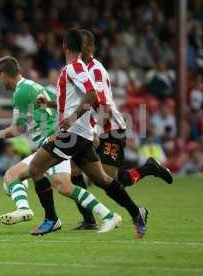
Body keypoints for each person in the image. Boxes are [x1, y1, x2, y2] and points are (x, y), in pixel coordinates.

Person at [0, 56, 121, 235]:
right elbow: (63, 105)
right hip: (59, 139)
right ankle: (108, 215)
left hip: (51, 143)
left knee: (11, 175)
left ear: (3, 73)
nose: (0, 81)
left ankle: (25, 209)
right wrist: (89, 129)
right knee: (64, 186)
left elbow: (18, 129)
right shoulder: (36, 87)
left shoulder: (20, 92)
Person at [27, 28, 147, 239]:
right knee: (102, 180)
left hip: (72, 134)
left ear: (64, 46)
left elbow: (92, 96)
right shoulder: (81, 68)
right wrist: (50, 103)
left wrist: (71, 119)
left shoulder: (74, 67)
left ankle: (51, 219)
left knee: (36, 167)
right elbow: (82, 99)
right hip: (82, 135)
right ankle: (136, 213)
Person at [68, 29, 173, 230]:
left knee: (109, 181)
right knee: (74, 169)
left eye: (78, 45)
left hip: (110, 130)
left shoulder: (95, 70)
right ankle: (89, 221)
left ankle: (150, 168)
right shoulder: (79, 69)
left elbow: (103, 104)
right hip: (91, 129)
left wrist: (95, 130)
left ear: (88, 47)